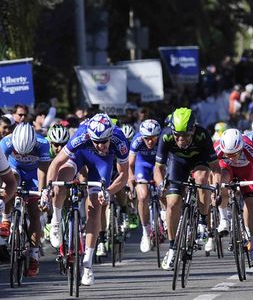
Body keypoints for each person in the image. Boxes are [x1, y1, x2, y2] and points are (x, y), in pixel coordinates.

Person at [45, 113, 129, 286]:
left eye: (104, 141)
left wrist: (108, 192)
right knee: (61, 181)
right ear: (90, 136)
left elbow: (124, 175)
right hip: (80, 155)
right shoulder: (82, 135)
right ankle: (56, 221)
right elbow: (56, 163)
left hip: (102, 163)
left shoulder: (119, 140)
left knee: (95, 207)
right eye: (96, 141)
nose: (101, 145)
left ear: (110, 136)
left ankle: (88, 265)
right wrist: (48, 188)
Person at [153, 108, 221, 270]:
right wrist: (161, 184)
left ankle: (203, 222)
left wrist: (216, 185)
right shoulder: (166, 135)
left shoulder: (202, 135)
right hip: (177, 163)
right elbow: (158, 168)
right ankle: (172, 248)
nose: (181, 139)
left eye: (186, 135)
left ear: (193, 130)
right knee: (173, 203)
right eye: (178, 135)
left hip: (199, 162)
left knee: (201, 179)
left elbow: (215, 167)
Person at [0, 124, 51, 275]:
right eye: (19, 152)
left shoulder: (43, 144)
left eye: (27, 152)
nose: (23, 155)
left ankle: (34, 255)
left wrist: (43, 193)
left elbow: (43, 171)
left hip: (34, 174)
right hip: (14, 170)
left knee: (35, 212)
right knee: (11, 184)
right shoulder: (5, 143)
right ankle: (6, 219)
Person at [215, 128, 253, 266]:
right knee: (222, 182)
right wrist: (215, 190)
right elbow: (211, 170)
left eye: (234, 154)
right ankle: (224, 219)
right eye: (227, 154)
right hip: (226, 169)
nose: (231, 157)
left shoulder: (249, 147)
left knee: (252, 204)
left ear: (241, 148)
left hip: (246, 170)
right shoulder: (218, 148)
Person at [128, 119, 161, 252]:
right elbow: (130, 164)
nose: (150, 141)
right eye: (146, 138)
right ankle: (145, 232)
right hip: (142, 165)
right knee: (142, 196)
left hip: (158, 165)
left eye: (153, 138)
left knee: (163, 188)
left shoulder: (163, 140)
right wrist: (131, 178)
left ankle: (164, 216)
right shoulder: (137, 140)